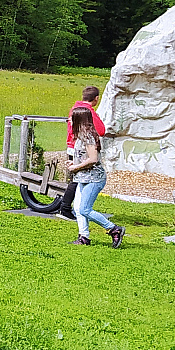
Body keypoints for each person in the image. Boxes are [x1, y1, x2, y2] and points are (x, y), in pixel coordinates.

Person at [64, 107, 124, 248]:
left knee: (85, 209)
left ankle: (114, 229)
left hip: (94, 179)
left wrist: (76, 167)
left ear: (79, 120)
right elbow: (85, 157)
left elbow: (93, 159)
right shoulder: (80, 137)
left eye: (72, 118)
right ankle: (84, 237)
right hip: (83, 178)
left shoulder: (88, 137)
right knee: (78, 209)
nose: (69, 120)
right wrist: (74, 163)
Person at [58, 85, 109, 218]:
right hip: (82, 148)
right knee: (77, 179)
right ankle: (66, 208)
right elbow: (101, 130)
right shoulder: (88, 111)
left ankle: (73, 208)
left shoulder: (75, 108)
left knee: (77, 177)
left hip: (72, 145)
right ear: (96, 98)